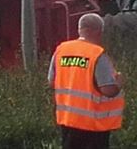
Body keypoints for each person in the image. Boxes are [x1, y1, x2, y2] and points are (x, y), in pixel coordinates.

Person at [48, 13, 124, 149]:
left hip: (68, 120)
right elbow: (108, 90)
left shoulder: (61, 50)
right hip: (93, 124)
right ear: (97, 31)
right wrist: (119, 83)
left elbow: (52, 82)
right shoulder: (96, 55)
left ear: (79, 29)